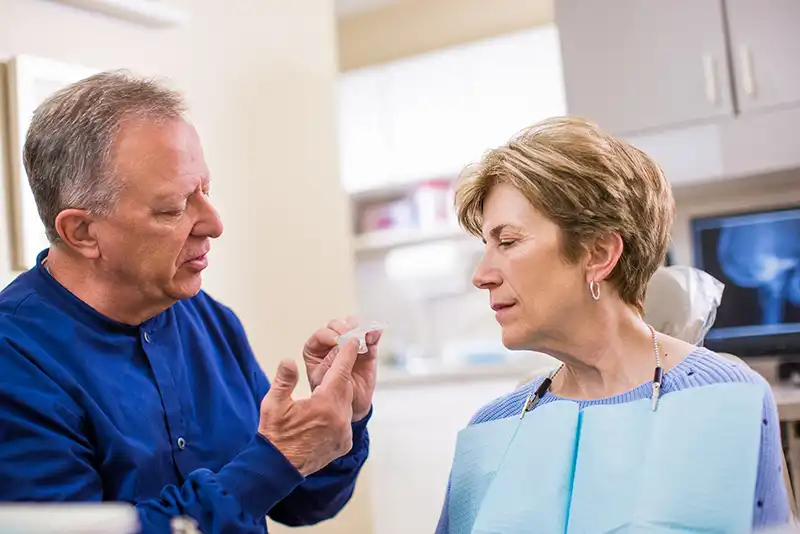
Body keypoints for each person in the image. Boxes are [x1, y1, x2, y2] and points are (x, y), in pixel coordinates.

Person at [0, 71, 380, 534]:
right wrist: (274, 460)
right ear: (82, 232)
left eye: (205, 191)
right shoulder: (15, 362)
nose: (214, 223)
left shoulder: (211, 320)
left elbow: (302, 504)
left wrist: (340, 416)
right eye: (173, 208)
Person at [435, 116, 791, 533]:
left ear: (599, 254)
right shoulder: (493, 427)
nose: (482, 275)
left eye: (508, 242)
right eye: (487, 246)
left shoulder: (724, 394)